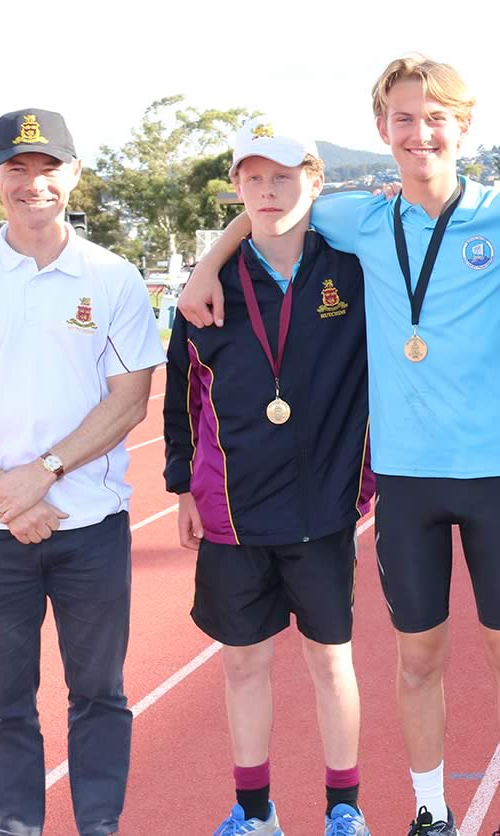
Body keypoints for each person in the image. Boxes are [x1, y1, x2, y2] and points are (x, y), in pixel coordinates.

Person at [178, 56, 500, 836]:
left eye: (435, 118)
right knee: (418, 658)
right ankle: (430, 807)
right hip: (406, 482)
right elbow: (270, 206)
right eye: (402, 117)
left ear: (463, 126)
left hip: (494, 478)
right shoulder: (356, 216)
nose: (419, 132)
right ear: (381, 128)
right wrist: (207, 264)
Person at [0, 108, 164, 836]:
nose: (32, 183)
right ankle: (16, 827)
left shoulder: (112, 278)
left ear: (73, 174)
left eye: (47, 167)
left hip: (90, 525)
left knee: (99, 694)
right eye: (15, 168)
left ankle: (99, 826)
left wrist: (44, 474)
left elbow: (130, 400)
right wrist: (8, 493)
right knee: (3, 702)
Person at [163, 118, 375, 836]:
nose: (267, 190)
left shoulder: (352, 268)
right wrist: (181, 486)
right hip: (233, 509)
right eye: (252, 178)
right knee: (244, 665)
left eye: (282, 176)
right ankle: (254, 811)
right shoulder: (209, 289)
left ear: (314, 181)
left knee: (330, 660)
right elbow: (182, 396)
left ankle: (344, 806)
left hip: (322, 506)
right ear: (237, 190)